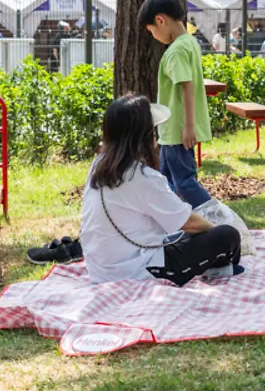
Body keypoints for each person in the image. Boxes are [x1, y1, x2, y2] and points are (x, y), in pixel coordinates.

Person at [81, 95, 242, 285]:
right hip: (137, 271)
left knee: (182, 236)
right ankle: (221, 268)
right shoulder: (142, 177)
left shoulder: (98, 165)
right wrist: (215, 231)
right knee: (227, 236)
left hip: (101, 271)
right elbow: (189, 222)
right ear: (144, 135)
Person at [139, 0, 213, 207]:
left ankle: (219, 222)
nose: (153, 35)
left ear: (160, 20)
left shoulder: (176, 51)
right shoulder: (190, 43)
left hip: (176, 130)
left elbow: (186, 87)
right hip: (176, 130)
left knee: (183, 184)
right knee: (167, 183)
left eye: (151, 30)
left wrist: (188, 127)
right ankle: (173, 226)